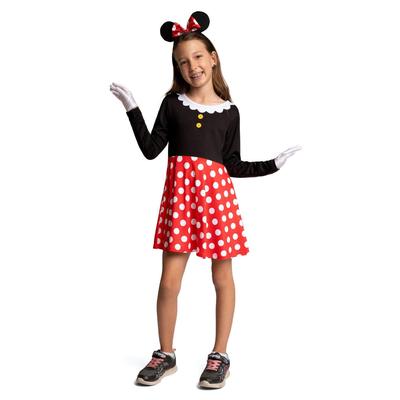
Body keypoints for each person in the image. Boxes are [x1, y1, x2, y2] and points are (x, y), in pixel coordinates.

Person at [110, 11, 301, 389]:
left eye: (197, 56)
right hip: (181, 202)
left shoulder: (230, 113)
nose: (191, 66)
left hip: (218, 203)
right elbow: (151, 150)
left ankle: (220, 355)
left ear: (213, 58)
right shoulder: (173, 103)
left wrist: (272, 165)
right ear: (177, 68)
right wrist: (132, 109)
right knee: (169, 281)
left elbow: (233, 165)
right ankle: (166, 354)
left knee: (222, 278)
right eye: (183, 61)